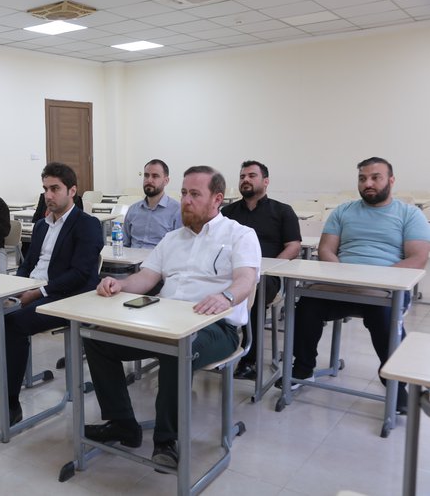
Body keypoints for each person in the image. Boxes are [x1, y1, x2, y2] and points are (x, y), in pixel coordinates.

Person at [83, 165, 260, 470]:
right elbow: (147, 278)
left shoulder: (240, 235)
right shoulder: (172, 239)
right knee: (97, 338)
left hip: (216, 326)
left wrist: (227, 297)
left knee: (177, 350)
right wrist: (120, 285)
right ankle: (122, 424)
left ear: (217, 199)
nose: (186, 201)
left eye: (195, 194)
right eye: (184, 193)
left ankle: (167, 440)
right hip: (164, 320)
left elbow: (246, 280)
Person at [0, 162, 103, 438]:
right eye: (45, 189)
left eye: (55, 189)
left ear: (72, 191)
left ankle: (11, 404)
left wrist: (37, 293)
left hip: (65, 297)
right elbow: (27, 264)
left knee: (13, 323)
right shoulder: (41, 226)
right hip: (32, 289)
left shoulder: (87, 224)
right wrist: (14, 287)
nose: (49, 195)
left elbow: (81, 274)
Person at [284, 157, 430, 412]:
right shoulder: (343, 211)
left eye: (375, 177)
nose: (368, 183)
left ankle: (396, 385)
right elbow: (326, 249)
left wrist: (377, 279)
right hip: (342, 283)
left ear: (391, 180)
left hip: (385, 287)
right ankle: (303, 368)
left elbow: (417, 258)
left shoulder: (409, 214)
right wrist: (344, 275)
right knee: (307, 306)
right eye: (362, 179)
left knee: (385, 318)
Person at [221, 161, 301, 380]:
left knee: (253, 292)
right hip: (232, 272)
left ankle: (250, 360)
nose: (245, 180)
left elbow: (293, 246)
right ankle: (217, 348)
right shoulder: (227, 212)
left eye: (251, 176)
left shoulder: (282, 211)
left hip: (268, 277)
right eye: (242, 176)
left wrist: (270, 267)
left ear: (265, 181)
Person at [122, 159, 181, 249]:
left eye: (155, 176)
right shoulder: (133, 210)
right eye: (146, 175)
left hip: (160, 257)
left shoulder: (177, 211)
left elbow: (180, 249)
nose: (149, 180)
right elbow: (124, 245)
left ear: (166, 181)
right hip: (133, 257)